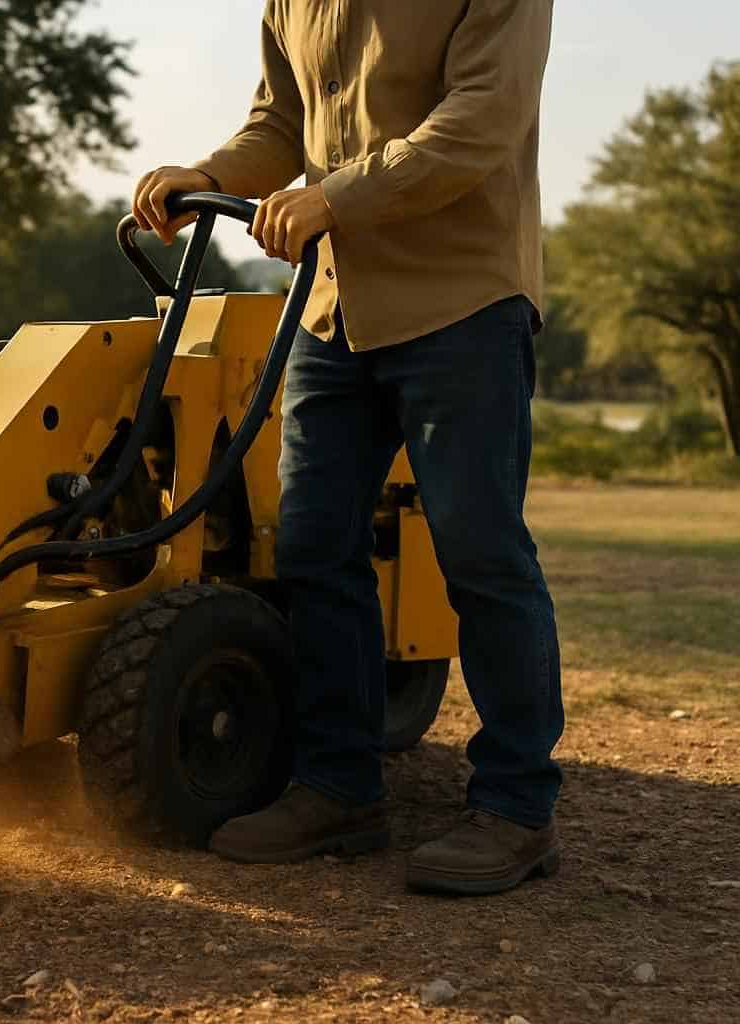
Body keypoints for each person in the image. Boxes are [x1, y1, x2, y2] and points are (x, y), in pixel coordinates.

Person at [131, 0, 563, 896]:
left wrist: (333, 198)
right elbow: (280, 125)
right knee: (313, 549)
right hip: (334, 313)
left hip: (464, 306)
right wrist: (204, 173)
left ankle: (518, 808)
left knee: (479, 552)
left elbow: (481, 119)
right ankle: (338, 789)